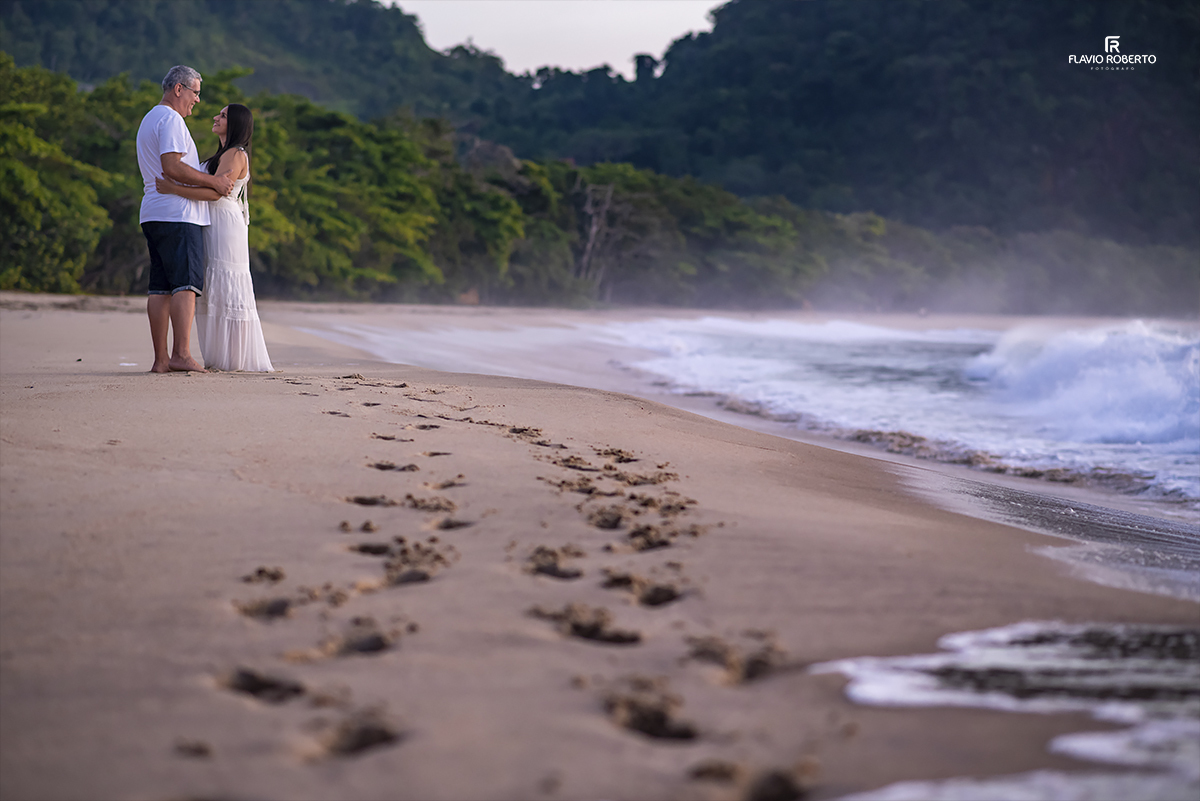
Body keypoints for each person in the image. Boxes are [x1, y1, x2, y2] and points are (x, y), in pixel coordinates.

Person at [156, 104, 274, 372]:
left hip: (224, 222)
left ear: (235, 124)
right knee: (214, 284)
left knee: (227, 283)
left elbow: (216, 193)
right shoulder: (223, 153)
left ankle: (234, 359)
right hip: (213, 220)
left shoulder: (235, 153)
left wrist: (174, 188)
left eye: (222, 116)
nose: (215, 118)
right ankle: (221, 357)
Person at [136, 65, 235, 372]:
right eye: (195, 93)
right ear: (178, 89)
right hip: (178, 214)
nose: (198, 101)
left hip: (154, 211)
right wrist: (214, 183)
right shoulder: (170, 119)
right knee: (185, 285)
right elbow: (172, 167)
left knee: (160, 286)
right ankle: (181, 354)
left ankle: (161, 360)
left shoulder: (150, 118)